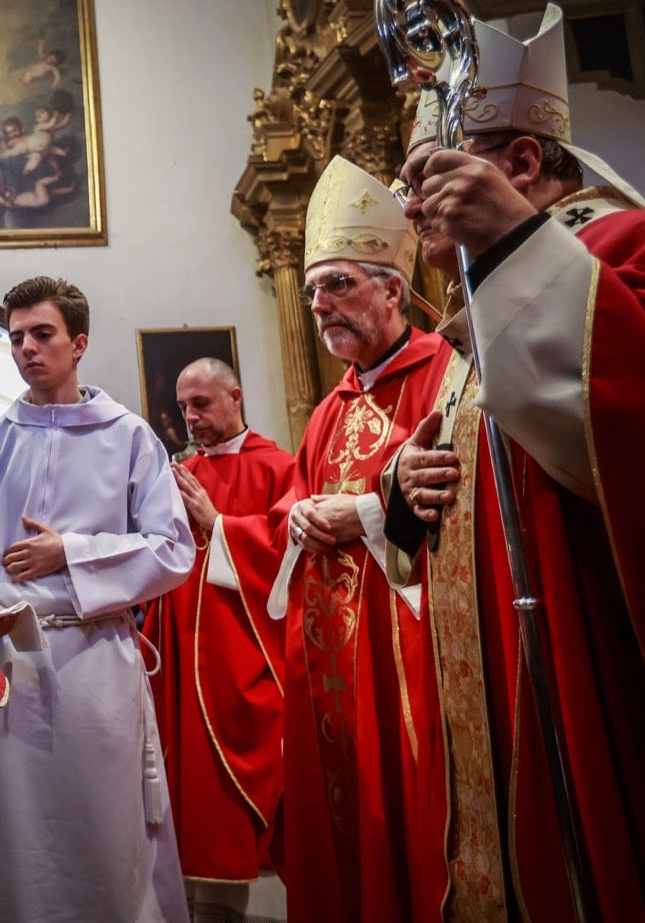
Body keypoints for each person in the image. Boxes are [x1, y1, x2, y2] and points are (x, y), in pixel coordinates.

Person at [383, 4, 645, 919]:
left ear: (518, 165)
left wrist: (515, 240)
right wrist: (406, 495)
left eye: (427, 176)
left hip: (594, 677)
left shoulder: (640, 247)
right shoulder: (475, 319)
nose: (408, 208)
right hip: (501, 691)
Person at [0, 275, 194, 922]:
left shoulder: (129, 436)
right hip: (8, 667)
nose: (27, 347)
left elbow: (174, 549)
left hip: (93, 660)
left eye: (43, 334)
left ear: (79, 342)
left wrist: (72, 553)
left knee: (103, 832)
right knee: (17, 841)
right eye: (17, 337)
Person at [247, 155, 447, 923]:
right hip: (331, 658)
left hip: (407, 656)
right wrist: (298, 518)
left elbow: (456, 492)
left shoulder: (443, 374)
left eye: (337, 284)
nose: (318, 305)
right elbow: (302, 497)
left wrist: (359, 515)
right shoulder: (334, 405)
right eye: (311, 289)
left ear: (394, 289)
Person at [140, 358, 295, 923]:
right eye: (183, 407)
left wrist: (220, 522)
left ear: (236, 396)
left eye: (201, 404)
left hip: (247, 658)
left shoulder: (280, 466)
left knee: (239, 806)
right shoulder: (183, 474)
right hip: (183, 657)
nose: (190, 418)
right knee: (192, 805)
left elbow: (290, 553)